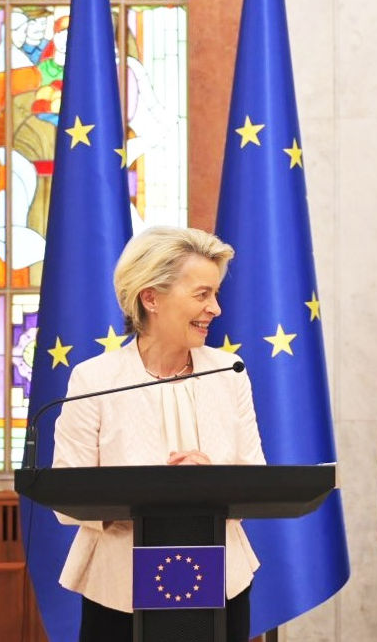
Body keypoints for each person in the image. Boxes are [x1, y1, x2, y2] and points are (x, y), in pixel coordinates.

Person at [52, 226, 264, 642]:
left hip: (223, 583)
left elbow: (255, 480)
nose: (216, 308)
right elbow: (67, 497)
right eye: (202, 295)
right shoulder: (94, 379)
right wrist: (154, 492)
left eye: (215, 294)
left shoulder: (230, 373)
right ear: (151, 298)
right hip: (118, 591)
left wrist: (212, 482)